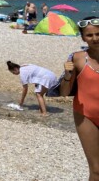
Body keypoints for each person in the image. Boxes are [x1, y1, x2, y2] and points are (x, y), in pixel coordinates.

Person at [60, 16, 99, 181]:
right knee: (96, 170)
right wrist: (67, 75)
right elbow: (64, 92)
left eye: (98, 34)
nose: (95, 38)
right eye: (89, 35)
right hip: (86, 116)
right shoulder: (77, 58)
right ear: (83, 37)